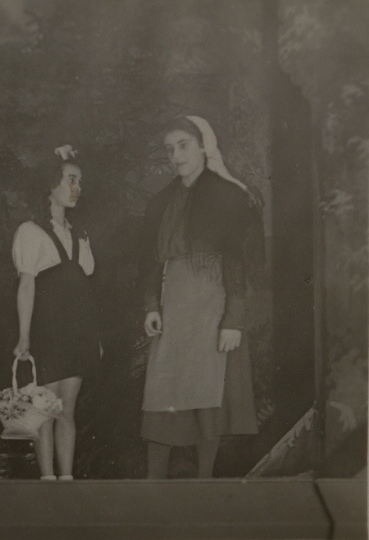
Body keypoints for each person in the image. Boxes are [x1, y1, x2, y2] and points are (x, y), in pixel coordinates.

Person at [140, 115, 264, 479]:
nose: (176, 156)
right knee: (161, 391)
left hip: (213, 303)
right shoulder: (161, 202)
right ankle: (153, 486)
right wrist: (150, 306)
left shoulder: (228, 196)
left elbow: (238, 262)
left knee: (207, 393)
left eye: (183, 146)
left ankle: (204, 483)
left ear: (203, 147)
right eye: (169, 149)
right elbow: (150, 261)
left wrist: (233, 320)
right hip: (172, 304)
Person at [11, 145, 101, 481]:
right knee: (44, 409)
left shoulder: (79, 234)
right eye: (70, 180)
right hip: (47, 329)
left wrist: (93, 336)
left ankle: (66, 480)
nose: (77, 188)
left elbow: (85, 289)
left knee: (67, 410)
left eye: (80, 181)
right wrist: (24, 335)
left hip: (78, 331)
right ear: (50, 184)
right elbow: (26, 286)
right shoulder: (31, 231)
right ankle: (47, 480)